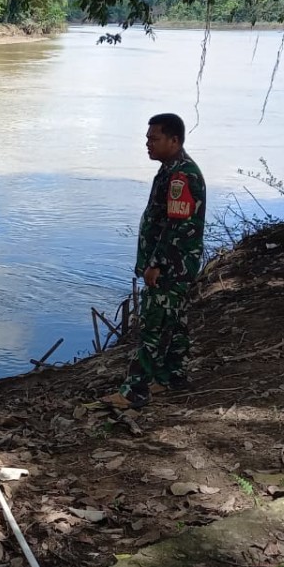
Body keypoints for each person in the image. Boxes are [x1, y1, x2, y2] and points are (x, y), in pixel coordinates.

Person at [101, 113, 206, 410]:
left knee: (153, 326)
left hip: (171, 267)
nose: (148, 144)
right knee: (174, 321)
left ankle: (135, 391)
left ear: (174, 140)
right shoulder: (171, 170)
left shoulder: (180, 175)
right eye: (147, 138)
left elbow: (178, 226)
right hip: (177, 265)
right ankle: (171, 377)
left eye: (154, 139)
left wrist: (156, 263)